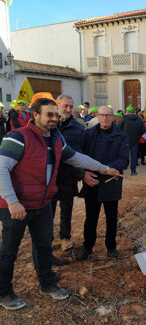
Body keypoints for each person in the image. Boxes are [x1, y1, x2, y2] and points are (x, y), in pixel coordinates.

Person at [0, 97, 120, 310]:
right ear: (35, 115)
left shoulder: (56, 139)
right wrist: (12, 201)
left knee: (43, 246)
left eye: (56, 114)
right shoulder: (18, 137)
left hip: (42, 203)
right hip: (16, 205)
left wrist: (104, 168)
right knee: (10, 250)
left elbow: (76, 158)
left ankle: (47, 284)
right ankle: (4, 292)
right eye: (49, 114)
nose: (54, 118)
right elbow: (1, 169)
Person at [76, 106, 129, 261]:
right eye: (102, 115)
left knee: (111, 218)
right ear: (96, 116)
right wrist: (84, 173)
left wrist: (112, 168)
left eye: (108, 115)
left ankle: (111, 247)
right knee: (91, 218)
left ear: (114, 117)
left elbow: (124, 159)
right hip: (92, 181)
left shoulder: (121, 136)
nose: (105, 118)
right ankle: (87, 247)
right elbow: (80, 156)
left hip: (111, 181)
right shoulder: (88, 134)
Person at [51, 95, 85, 253]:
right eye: (65, 106)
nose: (69, 110)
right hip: (48, 177)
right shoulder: (48, 125)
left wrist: (81, 173)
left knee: (66, 209)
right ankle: (46, 240)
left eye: (71, 107)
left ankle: (65, 238)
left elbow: (80, 153)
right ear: (57, 105)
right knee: (47, 211)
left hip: (67, 176)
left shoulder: (78, 128)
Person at [118, 106, 145, 175]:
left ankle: (122, 169)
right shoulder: (139, 119)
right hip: (135, 140)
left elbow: (118, 129)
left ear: (127, 111)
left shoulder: (124, 118)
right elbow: (143, 130)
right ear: (133, 111)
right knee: (134, 155)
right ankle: (133, 171)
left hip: (125, 140)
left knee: (124, 155)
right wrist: (138, 136)